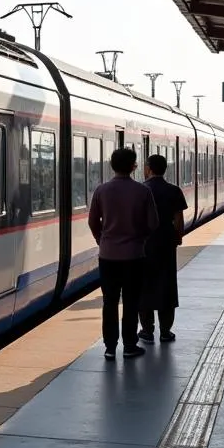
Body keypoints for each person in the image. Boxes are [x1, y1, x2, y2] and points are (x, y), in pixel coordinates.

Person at [89, 147, 159, 360]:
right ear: (134, 166)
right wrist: (140, 238)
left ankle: (110, 347)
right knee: (131, 301)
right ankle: (129, 345)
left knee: (109, 301)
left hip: (108, 255)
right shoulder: (143, 191)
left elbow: (93, 221)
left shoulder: (101, 190)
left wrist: (102, 240)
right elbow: (153, 223)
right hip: (134, 255)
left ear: (112, 165)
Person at [138, 153, 188, 344]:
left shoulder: (142, 190)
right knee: (167, 286)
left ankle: (147, 331)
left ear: (149, 168)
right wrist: (178, 237)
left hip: (145, 245)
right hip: (166, 243)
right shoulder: (174, 190)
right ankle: (166, 331)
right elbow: (178, 219)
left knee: (145, 287)